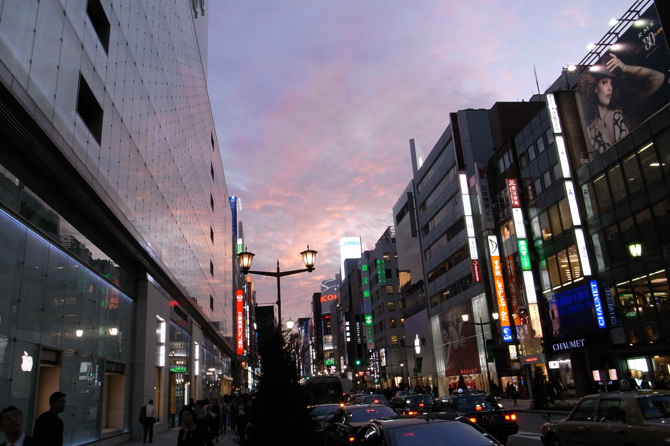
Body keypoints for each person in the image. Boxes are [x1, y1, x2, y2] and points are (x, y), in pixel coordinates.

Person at [579, 52, 666, 155]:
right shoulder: (590, 129)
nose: (609, 88)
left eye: (611, 83)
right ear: (595, 88)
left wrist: (625, 67)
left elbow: (658, 77)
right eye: (604, 82)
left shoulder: (623, 111)